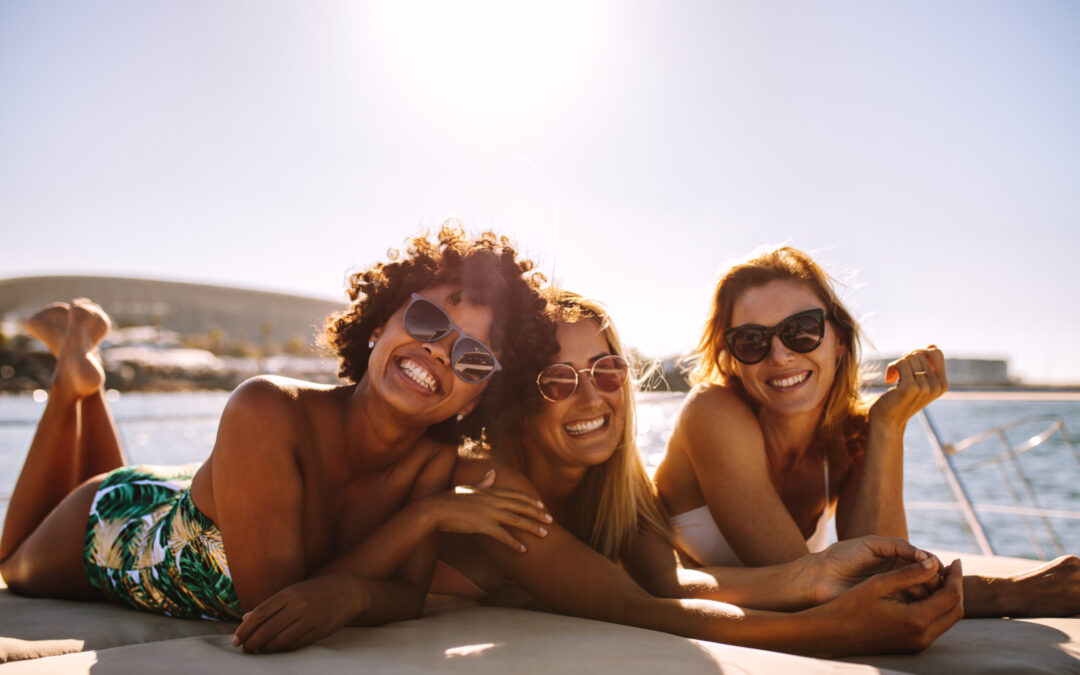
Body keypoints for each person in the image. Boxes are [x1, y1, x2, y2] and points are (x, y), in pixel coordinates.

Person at [313, 288, 962, 658]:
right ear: (513, 403)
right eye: (558, 380)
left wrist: (815, 573)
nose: (592, 397)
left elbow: (674, 580)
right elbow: (636, 606)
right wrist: (831, 629)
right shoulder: (490, 483)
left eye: (606, 370)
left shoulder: (614, 489)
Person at [0, 226, 555, 652]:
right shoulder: (265, 407)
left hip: (209, 491)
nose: (440, 350)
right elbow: (275, 609)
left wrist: (361, 587)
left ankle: (82, 374)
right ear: (382, 321)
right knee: (10, 565)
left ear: (478, 396)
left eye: (474, 357)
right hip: (118, 524)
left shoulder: (431, 463)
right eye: (430, 319)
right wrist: (422, 518)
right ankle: (72, 380)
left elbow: (405, 596)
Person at [654, 245, 1080, 617]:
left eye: (802, 330)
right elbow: (813, 585)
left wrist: (887, 425)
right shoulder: (712, 412)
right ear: (731, 358)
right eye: (751, 340)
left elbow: (885, 575)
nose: (780, 355)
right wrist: (1012, 593)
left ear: (839, 339)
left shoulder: (850, 436)